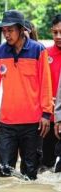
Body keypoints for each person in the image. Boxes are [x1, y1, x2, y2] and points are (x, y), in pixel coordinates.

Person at [0, 10, 52, 180]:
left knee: (30, 174)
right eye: (4, 31)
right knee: (3, 172)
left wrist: (46, 114)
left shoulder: (38, 50)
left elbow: (45, 85)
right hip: (7, 124)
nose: (6, 35)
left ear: (20, 29)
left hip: (33, 125)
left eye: (10, 30)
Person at [51, 14, 61, 173]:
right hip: (48, 119)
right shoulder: (44, 54)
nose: (58, 36)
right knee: (45, 165)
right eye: (55, 32)